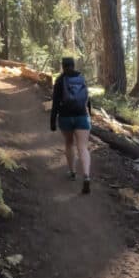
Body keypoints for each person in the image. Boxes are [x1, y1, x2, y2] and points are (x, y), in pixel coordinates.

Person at [50, 57, 92, 194]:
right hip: (82, 116)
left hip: (65, 117)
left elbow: (55, 102)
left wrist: (52, 121)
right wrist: (88, 114)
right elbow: (87, 98)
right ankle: (86, 175)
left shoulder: (60, 80)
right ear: (74, 65)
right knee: (83, 147)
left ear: (63, 66)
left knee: (69, 143)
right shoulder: (81, 78)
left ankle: (73, 172)